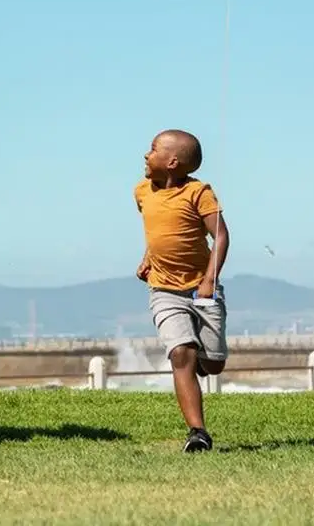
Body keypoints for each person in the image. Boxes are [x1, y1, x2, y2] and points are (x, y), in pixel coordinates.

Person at [134, 129, 229, 452]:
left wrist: (209, 280)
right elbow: (160, 233)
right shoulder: (142, 192)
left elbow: (221, 237)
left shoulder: (199, 193)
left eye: (152, 149)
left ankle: (204, 360)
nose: (145, 155)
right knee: (180, 353)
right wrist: (148, 258)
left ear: (172, 161)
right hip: (163, 289)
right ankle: (198, 432)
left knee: (213, 365)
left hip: (202, 290)